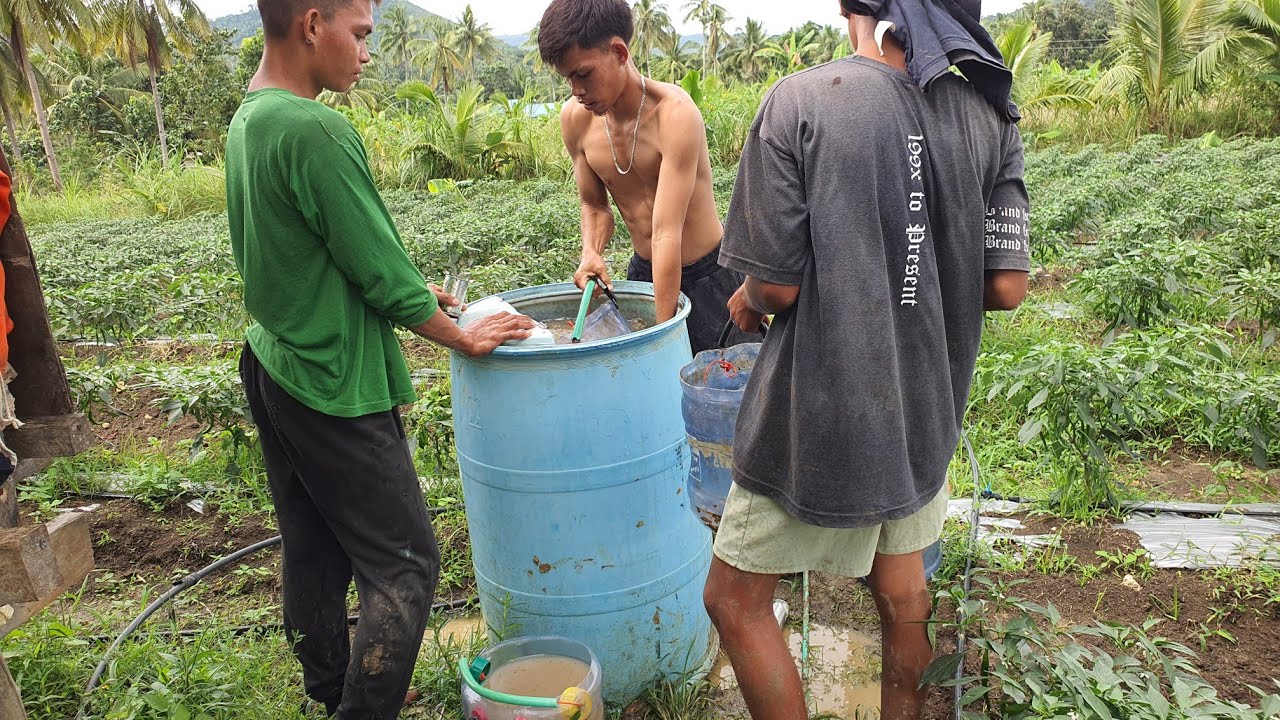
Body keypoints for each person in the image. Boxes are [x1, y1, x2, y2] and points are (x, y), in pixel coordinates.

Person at [702, 1, 1031, 719]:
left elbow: (778, 285)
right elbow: (1006, 286)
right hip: (927, 410)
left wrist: (749, 299)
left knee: (734, 601)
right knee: (903, 593)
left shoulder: (801, 101)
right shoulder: (991, 113)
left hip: (820, 415)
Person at [225, 1, 534, 716]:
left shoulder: (252, 116)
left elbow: (310, 247)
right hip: (332, 382)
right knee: (405, 567)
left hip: (276, 363)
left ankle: (328, 697)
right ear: (311, 24)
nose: (366, 53)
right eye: (360, 35)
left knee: (314, 549)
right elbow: (375, 269)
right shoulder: (316, 129)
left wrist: (398, 283)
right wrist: (462, 334)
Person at [537, 0, 760, 355]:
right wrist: (591, 252)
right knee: (653, 395)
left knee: (730, 388)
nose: (576, 91)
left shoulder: (675, 115)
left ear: (619, 52)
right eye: (568, 79)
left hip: (708, 275)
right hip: (644, 273)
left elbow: (667, 233)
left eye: (583, 75)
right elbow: (594, 204)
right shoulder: (576, 120)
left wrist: (660, 335)